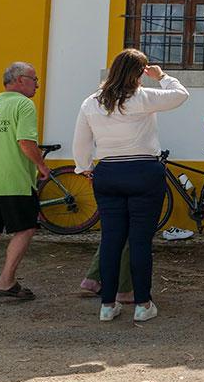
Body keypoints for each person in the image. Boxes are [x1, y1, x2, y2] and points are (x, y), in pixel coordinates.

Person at [73, 49, 189, 321]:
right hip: (143, 172)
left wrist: (85, 167)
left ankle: (107, 305)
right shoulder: (141, 97)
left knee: (111, 240)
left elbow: (81, 141)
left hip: (108, 173)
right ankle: (142, 304)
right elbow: (180, 95)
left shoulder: (91, 102)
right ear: (139, 74)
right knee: (139, 241)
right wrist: (162, 77)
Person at [0, 62, 51, 301]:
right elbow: (25, 142)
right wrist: (42, 166)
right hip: (14, 180)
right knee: (25, 228)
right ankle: (6, 280)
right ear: (20, 80)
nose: (37, 85)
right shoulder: (24, 104)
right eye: (34, 80)